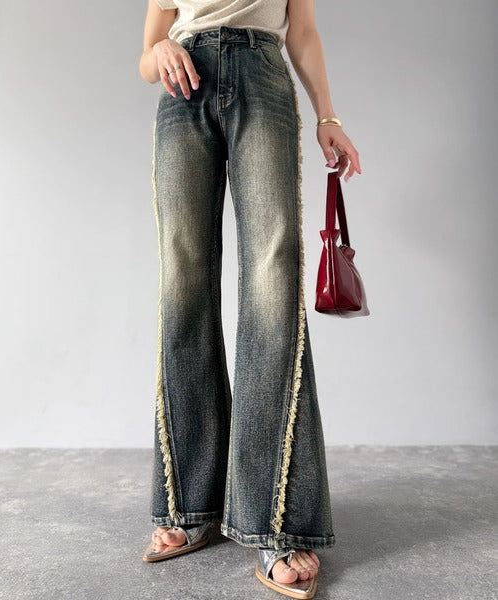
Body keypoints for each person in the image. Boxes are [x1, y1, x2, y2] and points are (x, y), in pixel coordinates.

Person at [139, 0, 361, 597]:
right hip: (182, 92)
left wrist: (328, 115)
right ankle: (188, 504)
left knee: (271, 281)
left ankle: (277, 521)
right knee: (183, 285)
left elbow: (302, 28)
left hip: (261, 77)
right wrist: (160, 49)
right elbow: (149, 52)